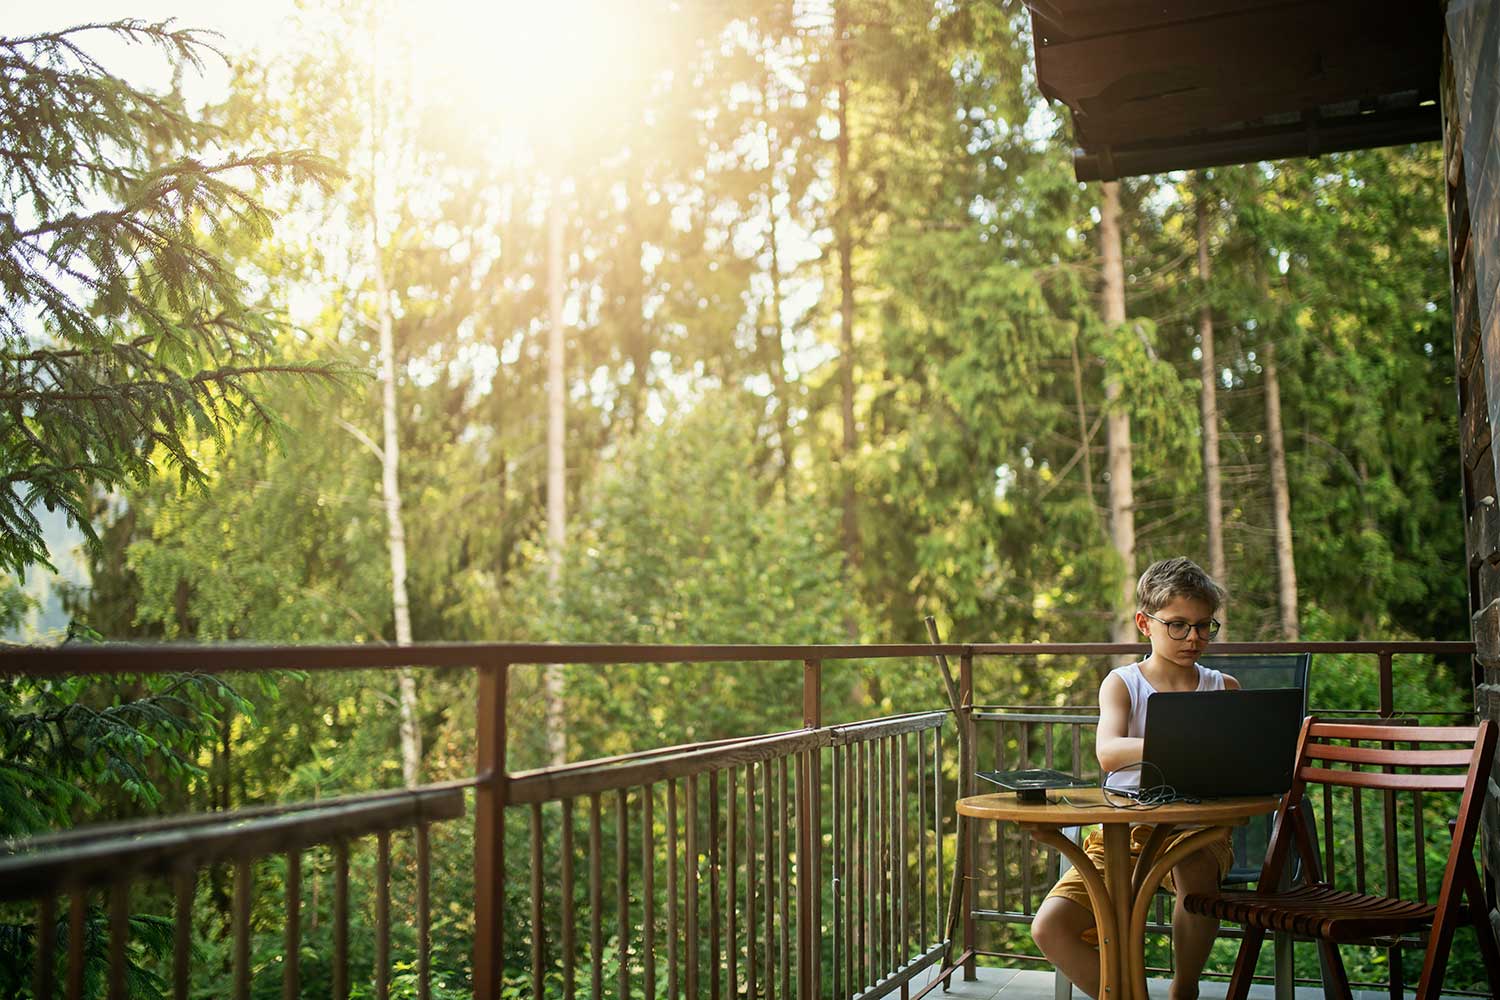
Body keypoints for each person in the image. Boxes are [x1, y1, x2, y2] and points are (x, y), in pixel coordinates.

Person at [1031, 557, 1237, 1000]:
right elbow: (1109, 753)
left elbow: (1242, 762)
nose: (1194, 638)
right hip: (1123, 831)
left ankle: (1185, 990)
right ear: (1146, 623)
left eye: (1204, 626)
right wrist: (1181, 745)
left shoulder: (1223, 688)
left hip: (1197, 828)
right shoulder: (1123, 683)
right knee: (1049, 927)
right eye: (1178, 626)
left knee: (1193, 869)